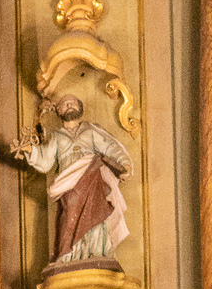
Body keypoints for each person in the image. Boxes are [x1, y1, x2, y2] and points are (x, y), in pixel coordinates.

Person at [14, 94, 132, 269]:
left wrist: (124, 164)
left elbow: (110, 147)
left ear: (80, 109)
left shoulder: (90, 131)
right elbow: (45, 162)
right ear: (59, 111)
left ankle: (98, 253)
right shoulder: (57, 137)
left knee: (97, 214)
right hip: (69, 183)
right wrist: (30, 150)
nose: (69, 106)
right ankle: (70, 255)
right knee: (68, 215)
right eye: (65, 104)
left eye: (73, 103)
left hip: (91, 177)